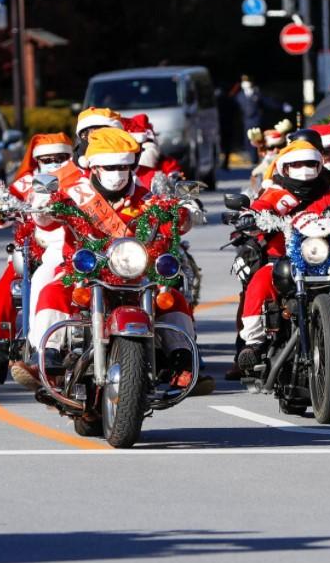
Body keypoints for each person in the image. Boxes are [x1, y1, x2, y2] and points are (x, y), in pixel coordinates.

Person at [31, 127, 206, 389]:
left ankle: (182, 361)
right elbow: (44, 220)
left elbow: (175, 220)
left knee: (173, 300)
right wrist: (43, 206)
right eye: (108, 167)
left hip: (135, 273)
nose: (116, 174)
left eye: (122, 168)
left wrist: (184, 214)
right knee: (52, 291)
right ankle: (47, 357)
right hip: (85, 273)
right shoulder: (75, 196)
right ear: (93, 167)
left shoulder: (147, 199)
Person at [235, 140, 330, 376]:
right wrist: (249, 217)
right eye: (297, 163)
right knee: (260, 280)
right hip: (283, 260)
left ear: (320, 165)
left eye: (310, 163)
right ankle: (254, 344)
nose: (304, 169)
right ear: (285, 168)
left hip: (325, 261)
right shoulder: (275, 193)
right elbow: (259, 207)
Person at [0, 133, 74, 384]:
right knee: (4, 291)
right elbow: (1, 212)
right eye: (47, 159)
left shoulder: (80, 180)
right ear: (37, 161)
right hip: (34, 248)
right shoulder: (25, 184)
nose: (54, 163)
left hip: (74, 249)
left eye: (61, 158)